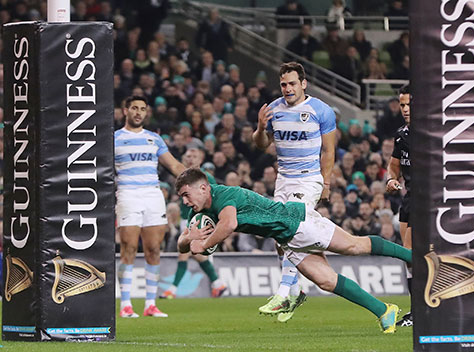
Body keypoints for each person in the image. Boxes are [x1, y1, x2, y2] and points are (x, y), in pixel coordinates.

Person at [175, 168, 411, 333]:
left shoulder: (225, 195)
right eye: (181, 197)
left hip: (296, 221)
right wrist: (190, 240)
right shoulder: (197, 213)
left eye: (186, 194)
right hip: (286, 237)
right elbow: (182, 242)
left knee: (354, 246)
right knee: (326, 281)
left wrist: (202, 244)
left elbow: (229, 224)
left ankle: (416, 258)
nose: (184, 201)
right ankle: (384, 311)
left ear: (204, 187)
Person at [252, 62, 336, 322]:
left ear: (303, 83)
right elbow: (262, 145)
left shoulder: (320, 110)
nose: (287, 89)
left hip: (309, 179)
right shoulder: (273, 109)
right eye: (283, 85)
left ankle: (282, 292)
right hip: (284, 180)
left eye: (292, 84)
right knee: (281, 239)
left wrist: (327, 182)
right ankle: (297, 290)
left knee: (290, 226)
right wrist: (260, 128)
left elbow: (329, 151)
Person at [116, 96, 186, 318]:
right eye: (134, 108)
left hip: (153, 195)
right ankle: (125, 303)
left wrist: (195, 181)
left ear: (147, 113)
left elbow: (173, 164)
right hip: (127, 194)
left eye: (142, 109)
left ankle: (150, 304)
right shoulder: (114, 139)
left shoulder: (154, 139)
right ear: (125, 110)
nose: (138, 112)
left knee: (154, 249)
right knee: (128, 248)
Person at [160, 148, 227, 299]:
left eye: (194, 156)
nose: (191, 159)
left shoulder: (206, 177)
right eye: (188, 156)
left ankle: (172, 289)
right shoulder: (182, 177)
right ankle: (217, 283)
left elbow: (215, 198)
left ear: (201, 158)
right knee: (196, 255)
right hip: (186, 220)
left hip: (198, 220)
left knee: (184, 255)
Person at [385, 85, 412, 327]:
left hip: (431, 200)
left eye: (408, 104)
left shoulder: (436, 132)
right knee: (409, 257)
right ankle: (418, 310)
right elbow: (394, 166)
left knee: (412, 250)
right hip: (410, 199)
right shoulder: (402, 135)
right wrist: (391, 179)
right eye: (402, 105)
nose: (404, 109)